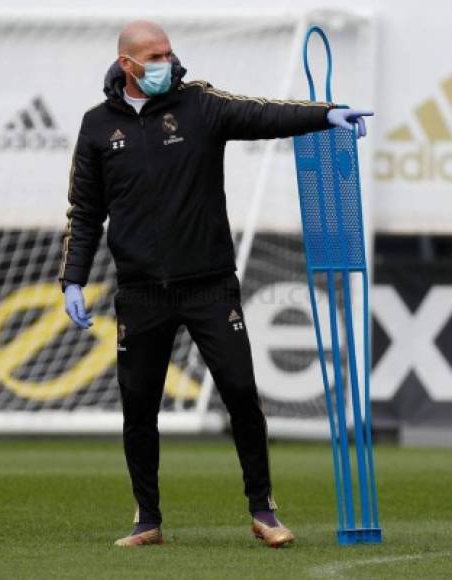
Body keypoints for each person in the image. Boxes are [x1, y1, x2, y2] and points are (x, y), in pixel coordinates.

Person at [58, 20, 372, 548]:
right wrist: (72, 280)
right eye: (156, 56)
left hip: (209, 285)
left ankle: (263, 511)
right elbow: (84, 213)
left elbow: (263, 113)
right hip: (140, 292)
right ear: (128, 64)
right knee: (139, 408)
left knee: (242, 395)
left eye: (170, 51)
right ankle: (147, 520)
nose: (168, 62)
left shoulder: (199, 104)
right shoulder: (96, 127)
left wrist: (324, 116)